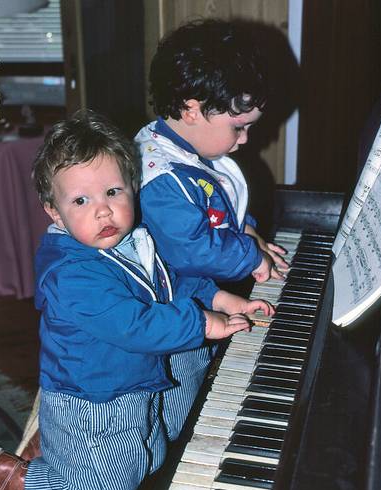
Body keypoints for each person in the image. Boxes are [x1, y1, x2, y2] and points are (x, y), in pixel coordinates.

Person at [0, 110, 274, 490]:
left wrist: (220, 297)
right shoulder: (70, 274)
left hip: (133, 377)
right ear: (54, 212)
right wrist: (203, 324)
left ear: (133, 188)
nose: (103, 211)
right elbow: (134, 324)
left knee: (153, 457)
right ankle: (18, 478)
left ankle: (58, 447)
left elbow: (169, 279)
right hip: (95, 395)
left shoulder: (134, 238)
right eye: (80, 201)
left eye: (113, 191)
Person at [135, 18, 289, 440]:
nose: (244, 140)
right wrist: (249, 255)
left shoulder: (192, 149)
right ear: (192, 109)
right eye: (238, 127)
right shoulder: (164, 179)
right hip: (169, 306)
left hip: (194, 291)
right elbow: (192, 250)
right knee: (180, 392)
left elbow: (221, 209)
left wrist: (251, 233)